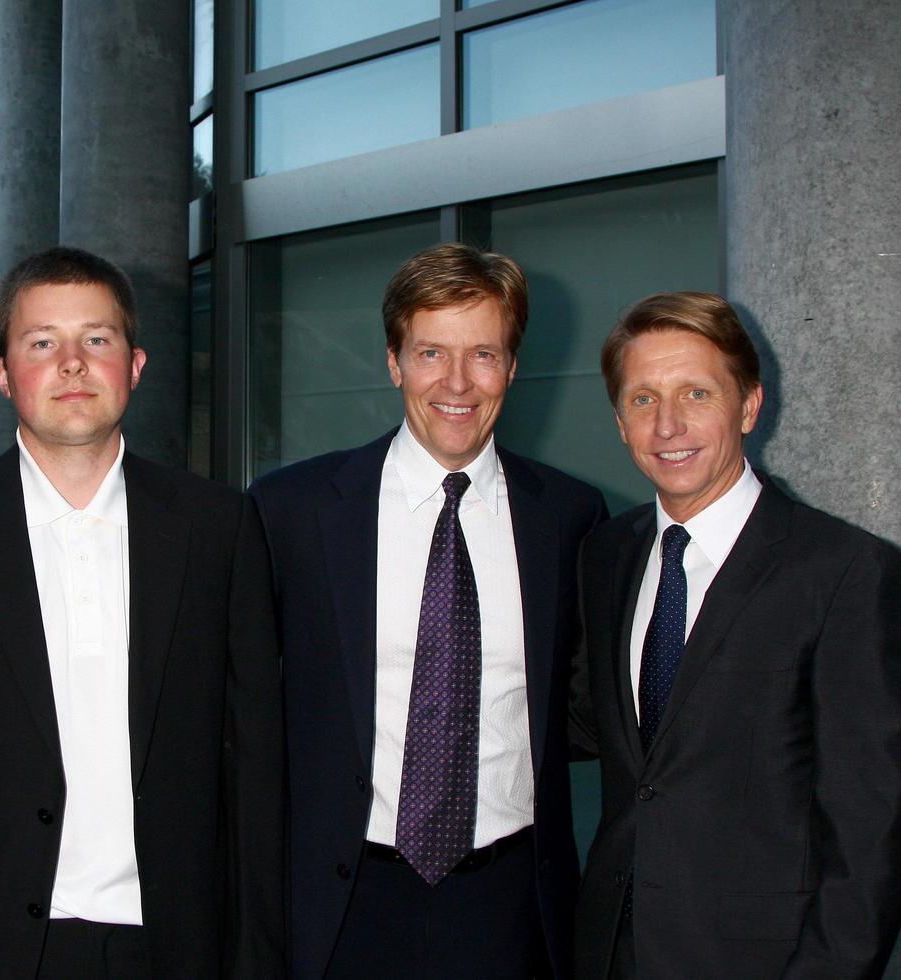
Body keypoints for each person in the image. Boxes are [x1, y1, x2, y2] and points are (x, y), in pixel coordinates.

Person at [0, 246, 284, 978]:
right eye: (41, 342)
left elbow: (254, 764)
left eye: (97, 339)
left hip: (175, 945)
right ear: (1, 373)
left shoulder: (220, 529)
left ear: (136, 365)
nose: (72, 363)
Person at [250, 243, 607, 979]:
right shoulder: (292, 512)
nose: (456, 382)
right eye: (430, 352)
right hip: (341, 902)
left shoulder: (568, 516)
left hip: (509, 906)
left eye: (483, 353)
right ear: (394, 362)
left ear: (512, 367)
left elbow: (583, 704)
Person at [570, 291, 901, 979]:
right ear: (620, 422)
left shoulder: (845, 573)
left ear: (749, 405)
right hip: (613, 953)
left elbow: (873, 831)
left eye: (696, 393)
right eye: (643, 400)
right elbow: (588, 724)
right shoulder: (608, 555)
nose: (668, 424)